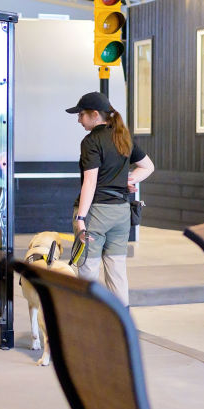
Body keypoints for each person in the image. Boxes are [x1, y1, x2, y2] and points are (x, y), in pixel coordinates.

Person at [67, 91, 155, 306]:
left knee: (88, 271)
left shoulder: (91, 141)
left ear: (95, 115)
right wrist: (130, 179)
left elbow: (90, 182)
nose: (79, 120)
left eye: (81, 114)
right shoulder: (123, 137)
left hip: (97, 213)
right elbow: (148, 167)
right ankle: (120, 328)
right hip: (122, 213)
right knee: (117, 273)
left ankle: (87, 328)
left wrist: (80, 218)